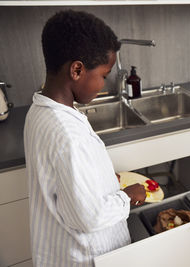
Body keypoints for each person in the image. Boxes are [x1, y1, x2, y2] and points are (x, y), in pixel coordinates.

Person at [23, 10, 146, 267]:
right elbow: (89, 218)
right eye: (103, 74)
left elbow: (66, 182)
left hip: (61, 250)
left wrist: (104, 182)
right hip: (86, 257)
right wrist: (128, 196)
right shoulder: (67, 134)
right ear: (77, 70)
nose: (103, 84)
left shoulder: (39, 109)